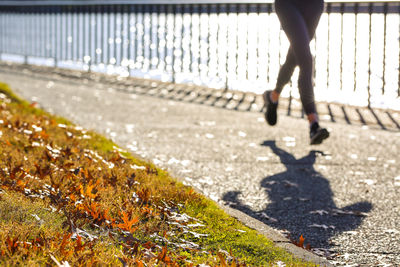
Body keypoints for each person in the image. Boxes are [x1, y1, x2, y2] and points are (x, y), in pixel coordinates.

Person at [263, 0, 329, 145]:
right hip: (288, 4)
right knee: (305, 59)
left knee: (294, 57)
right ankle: (313, 125)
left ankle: (273, 96)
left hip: (313, 5)